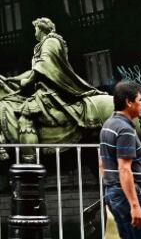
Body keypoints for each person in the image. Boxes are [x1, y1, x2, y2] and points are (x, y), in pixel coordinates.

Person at [6, 18, 102, 148]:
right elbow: (35, 70)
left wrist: (27, 82)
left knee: (25, 115)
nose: (34, 32)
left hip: (52, 90)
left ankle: (31, 158)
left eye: (35, 29)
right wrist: (13, 79)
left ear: (41, 29)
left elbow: (44, 65)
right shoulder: (44, 44)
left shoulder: (51, 41)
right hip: (44, 89)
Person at [94, 81, 141, 239]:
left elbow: (101, 163)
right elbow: (124, 169)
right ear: (129, 102)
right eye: (140, 99)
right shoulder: (125, 130)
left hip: (115, 193)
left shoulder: (108, 124)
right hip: (127, 195)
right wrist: (135, 206)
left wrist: (110, 191)